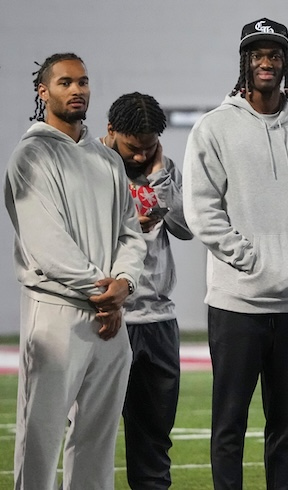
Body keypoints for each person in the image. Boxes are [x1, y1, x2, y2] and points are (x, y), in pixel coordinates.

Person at [183, 18, 288, 489]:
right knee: (229, 424)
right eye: (258, 54)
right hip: (237, 303)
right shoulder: (214, 128)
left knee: (287, 427)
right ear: (244, 63)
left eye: (275, 54)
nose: (266, 62)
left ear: (286, 63)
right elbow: (201, 208)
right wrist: (247, 258)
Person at [4, 52, 146, 489]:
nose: (78, 89)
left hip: (111, 317)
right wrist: (104, 291)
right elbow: (47, 244)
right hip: (57, 313)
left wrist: (125, 283)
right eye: (65, 82)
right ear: (43, 91)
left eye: (83, 82)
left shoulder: (106, 159)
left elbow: (130, 233)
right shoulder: (31, 156)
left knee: (97, 441)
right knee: (40, 438)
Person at [102, 92, 193, 489]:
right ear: (111, 132)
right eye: (132, 148)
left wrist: (159, 178)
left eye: (149, 147)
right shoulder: (90, 168)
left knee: (154, 440)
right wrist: (125, 226)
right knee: (91, 435)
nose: (140, 156)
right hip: (107, 318)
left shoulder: (163, 168)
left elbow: (187, 228)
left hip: (158, 321)